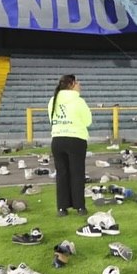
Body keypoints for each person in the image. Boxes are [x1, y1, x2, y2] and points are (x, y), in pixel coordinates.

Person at [48, 74, 92, 216]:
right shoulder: (79, 101)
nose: (80, 84)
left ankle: (62, 208)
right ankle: (80, 207)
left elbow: (51, 119)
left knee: (61, 174)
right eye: (77, 82)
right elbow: (88, 121)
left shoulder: (53, 100)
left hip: (57, 139)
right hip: (76, 139)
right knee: (77, 173)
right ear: (71, 84)